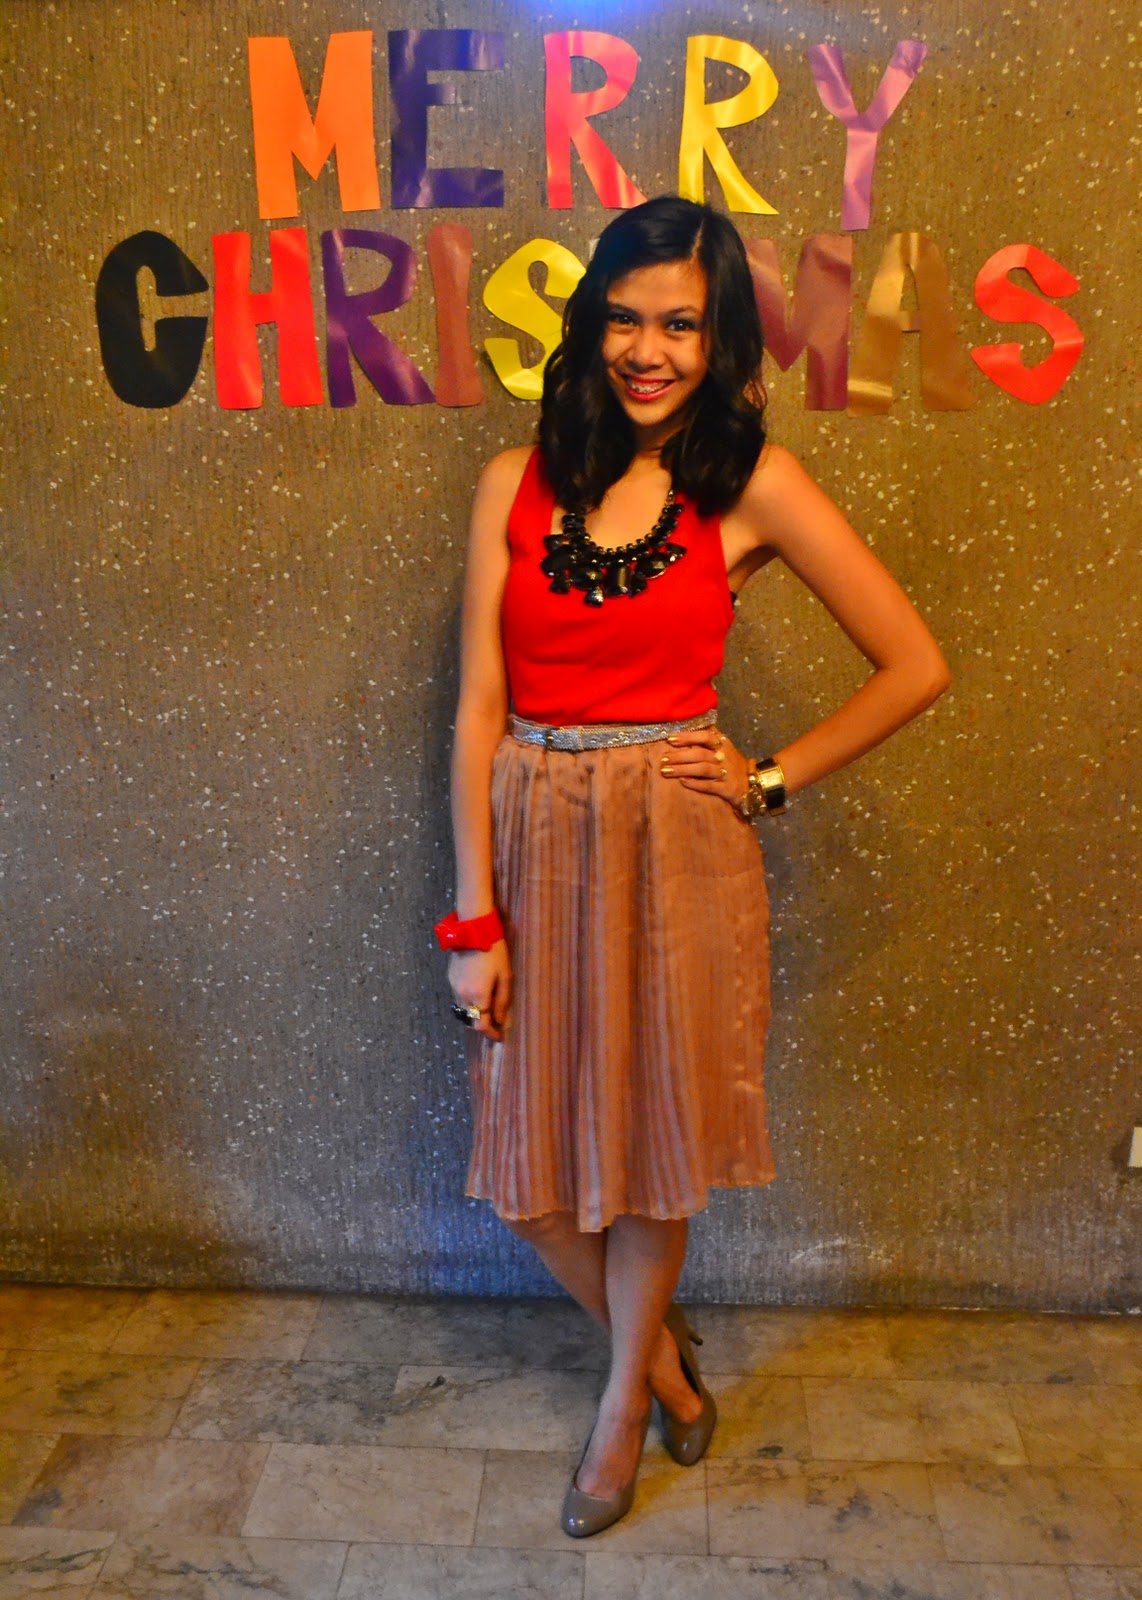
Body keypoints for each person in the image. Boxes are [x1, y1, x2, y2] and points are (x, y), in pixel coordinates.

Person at [437, 195, 949, 1537]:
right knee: (527, 1167)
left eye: (680, 324)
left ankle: (622, 1410)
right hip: (531, 827)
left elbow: (914, 664)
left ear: (720, 341)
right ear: (589, 324)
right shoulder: (510, 479)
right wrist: (472, 920)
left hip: (675, 842)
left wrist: (770, 777)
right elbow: (478, 709)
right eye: (625, 319)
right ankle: (662, 1360)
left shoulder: (751, 483)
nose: (648, 350)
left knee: (654, 1149)